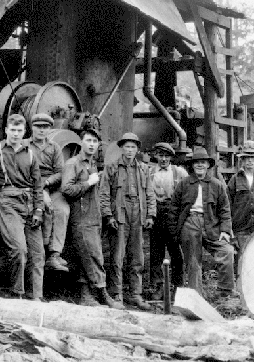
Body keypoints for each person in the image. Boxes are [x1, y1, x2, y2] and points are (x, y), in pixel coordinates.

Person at [0, 114, 44, 301]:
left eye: (19, 131)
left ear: (24, 132)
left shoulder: (30, 153)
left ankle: (36, 298)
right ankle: (17, 293)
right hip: (7, 202)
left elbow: (38, 185)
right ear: (6, 130)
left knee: (38, 254)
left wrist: (38, 210)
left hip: (29, 203)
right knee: (19, 250)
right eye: (12, 130)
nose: (15, 134)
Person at [62, 128, 121, 309]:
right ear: (81, 142)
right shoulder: (73, 163)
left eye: (95, 142)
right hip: (81, 219)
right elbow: (67, 189)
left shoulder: (92, 164)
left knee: (85, 257)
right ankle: (103, 293)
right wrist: (88, 183)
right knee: (94, 256)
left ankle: (86, 296)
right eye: (88, 140)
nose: (92, 144)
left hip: (93, 218)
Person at [168, 147, 235, 298]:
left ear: (208, 165)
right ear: (192, 165)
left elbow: (225, 209)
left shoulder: (216, 185)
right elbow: (174, 208)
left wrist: (225, 230)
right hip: (190, 222)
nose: (200, 165)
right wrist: (174, 232)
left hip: (211, 224)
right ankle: (195, 297)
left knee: (227, 252)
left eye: (203, 162)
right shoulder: (184, 184)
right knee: (193, 260)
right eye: (197, 162)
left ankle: (225, 292)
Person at [99, 132, 156, 311]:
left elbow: (150, 193)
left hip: (138, 213)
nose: (130, 150)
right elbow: (104, 194)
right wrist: (108, 215)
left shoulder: (144, 169)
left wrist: (150, 215)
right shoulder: (111, 167)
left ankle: (135, 294)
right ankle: (117, 294)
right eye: (127, 147)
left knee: (137, 256)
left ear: (137, 149)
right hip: (120, 214)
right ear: (121, 148)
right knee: (117, 256)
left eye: (133, 147)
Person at [27, 113, 70, 272]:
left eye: (45, 127)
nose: (42, 130)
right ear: (32, 127)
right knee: (44, 209)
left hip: (51, 186)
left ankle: (54, 254)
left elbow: (60, 172)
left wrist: (46, 184)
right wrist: (40, 189)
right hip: (31, 186)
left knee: (62, 210)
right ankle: (42, 252)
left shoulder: (54, 148)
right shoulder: (25, 146)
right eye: (38, 127)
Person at [148, 142, 187, 302]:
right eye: (160, 155)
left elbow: (188, 192)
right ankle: (158, 287)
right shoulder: (149, 172)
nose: (163, 159)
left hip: (173, 215)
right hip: (155, 213)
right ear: (156, 156)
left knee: (176, 252)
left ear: (171, 157)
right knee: (156, 252)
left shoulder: (179, 173)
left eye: (166, 156)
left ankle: (178, 287)